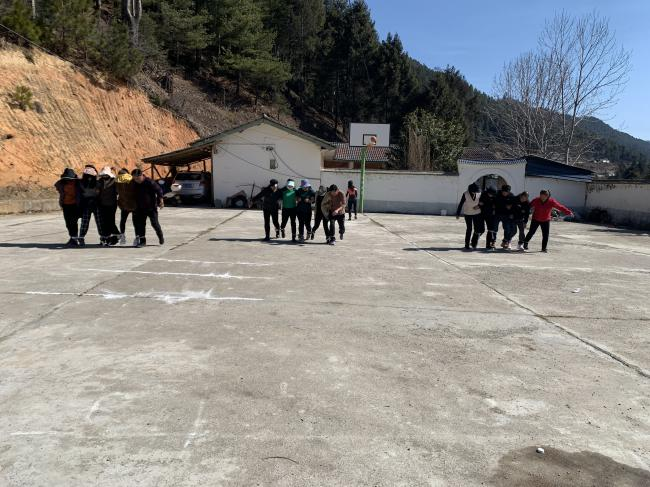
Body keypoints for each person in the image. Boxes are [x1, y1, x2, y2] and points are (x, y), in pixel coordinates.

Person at [132, 168, 164, 247]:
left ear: (142, 175)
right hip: (140, 208)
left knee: (154, 223)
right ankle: (142, 241)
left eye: (138, 178)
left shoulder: (149, 182)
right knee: (141, 225)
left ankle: (160, 235)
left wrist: (161, 200)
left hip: (151, 207)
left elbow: (159, 190)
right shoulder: (134, 183)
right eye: (135, 178)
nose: (136, 180)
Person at [54, 168, 81, 246]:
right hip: (66, 205)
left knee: (73, 222)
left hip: (75, 205)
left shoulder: (78, 183)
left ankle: (74, 238)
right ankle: (73, 238)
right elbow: (57, 186)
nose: (68, 180)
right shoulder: (61, 183)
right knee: (68, 223)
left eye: (70, 178)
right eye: (67, 178)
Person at [78, 165, 102, 247]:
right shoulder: (81, 183)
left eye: (91, 176)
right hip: (86, 206)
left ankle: (103, 238)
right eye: (87, 175)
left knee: (99, 223)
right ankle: (81, 238)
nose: (89, 178)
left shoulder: (98, 183)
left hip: (96, 205)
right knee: (84, 223)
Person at [456, 183, 484, 250]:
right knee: (469, 229)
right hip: (467, 213)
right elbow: (461, 204)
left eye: (476, 191)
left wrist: (479, 206)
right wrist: (458, 213)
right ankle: (467, 244)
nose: (475, 193)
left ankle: (474, 242)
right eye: (474, 192)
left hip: (477, 213)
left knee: (477, 229)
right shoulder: (465, 194)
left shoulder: (479, 193)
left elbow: (483, 202)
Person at [97, 167, 120, 246]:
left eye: (106, 175)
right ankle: (106, 238)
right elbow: (97, 191)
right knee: (104, 222)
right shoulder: (100, 181)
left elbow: (118, 191)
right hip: (102, 204)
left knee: (111, 221)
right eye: (103, 175)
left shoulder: (114, 181)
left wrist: (116, 172)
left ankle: (117, 235)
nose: (104, 176)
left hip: (112, 204)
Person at [116, 168, 137, 245]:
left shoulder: (117, 181)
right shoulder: (132, 180)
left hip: (125, 204)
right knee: (135, 222)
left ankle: (123, 237)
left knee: (123, 221)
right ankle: (137, 237)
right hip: (132, 204)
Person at [495, 185, 516, 249]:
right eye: (503, 191)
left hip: (506, 215)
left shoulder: (511, 196)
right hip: (497, 214)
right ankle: (493, 241)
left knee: (507, 229)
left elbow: (514, 204)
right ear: (501, 191)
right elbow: (493, 201)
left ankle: (505, 242)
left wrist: (511, 208)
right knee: (494, 228)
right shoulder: (497, 194)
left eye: (506, 192)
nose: (505, 193)